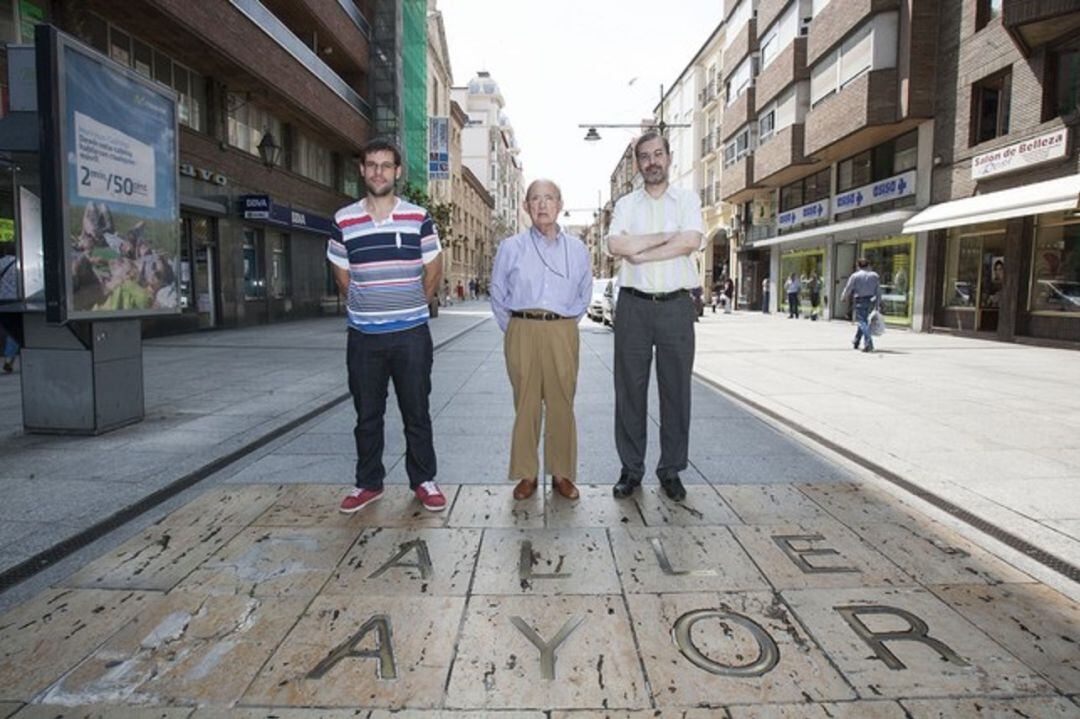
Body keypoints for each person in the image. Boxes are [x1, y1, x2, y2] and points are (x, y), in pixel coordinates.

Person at [327, 137, 446, 513]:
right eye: (371, 165)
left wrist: (409, 306)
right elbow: (343, 277)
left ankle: (424, 479)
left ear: (396, 172)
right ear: (362, 170)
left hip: (411, 334)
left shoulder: (418, 217)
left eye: (386, 165)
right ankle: (368, 483)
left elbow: (433, 271)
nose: (378, 171)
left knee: (416, 410)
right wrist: (369, 307)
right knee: (367, 415)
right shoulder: (344, 220)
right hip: (364, 336)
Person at [604, 131, 705, 502]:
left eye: (658, 154)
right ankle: (631, 470)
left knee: (676, 391)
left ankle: (671, 470)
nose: (652, 162)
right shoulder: (626, 205)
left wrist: (642, 251)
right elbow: (616, 245)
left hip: (677, 306)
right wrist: (666, 236)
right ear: (637, 164)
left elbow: (690, 241)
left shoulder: (688, 199)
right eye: (644, 156)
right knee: (629, 392)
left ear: (669, 157)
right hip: (633, 306)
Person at [490, 179, 592, 501]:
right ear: (526, 207)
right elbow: (498, 293)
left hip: (562, 329)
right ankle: (527, 474)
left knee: (562, 401)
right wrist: (517, 328)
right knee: (526, 404)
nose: (542, 204)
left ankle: (562, 474)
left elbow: (584, 293)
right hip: (522, 328)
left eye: (549, 198)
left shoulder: (577, 248)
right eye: (535, 199)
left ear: (560, 204)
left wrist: (562, 324)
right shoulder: (511, 247)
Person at [841, 257, 882, 353]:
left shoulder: (855, 276)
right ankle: (856, 340)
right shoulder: (875, 275)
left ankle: (869, 344)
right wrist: (878, 303)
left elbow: (848, 287)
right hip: (871, 300)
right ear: (868, 265)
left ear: (858, 266)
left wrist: (843, 297)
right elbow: (878, 290)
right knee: (864, 321)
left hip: (860, 300)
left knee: (862, 322)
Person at [0, 254, 22, 374]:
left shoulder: (3, 261)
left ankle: (9, 359)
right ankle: (9, 359)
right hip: (18, 300)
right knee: (15, 332)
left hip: (3, 300)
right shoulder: (25, 262)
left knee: (10, 330)